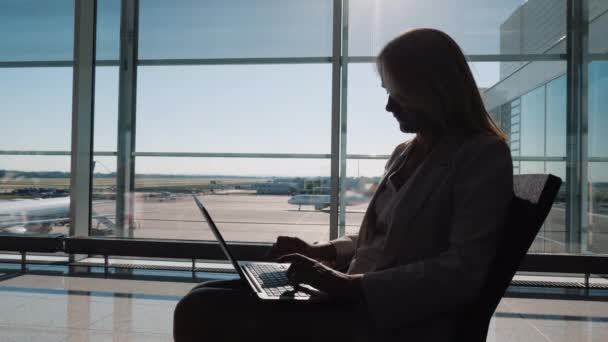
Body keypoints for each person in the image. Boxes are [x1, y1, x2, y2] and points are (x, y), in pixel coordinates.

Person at [173, 28, 513, 342]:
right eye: (388, 92)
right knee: (201, 296)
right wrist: (323, 252)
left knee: (200, 311)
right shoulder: (405, 153)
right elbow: (380, 237)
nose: (388, 106)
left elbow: (463, 271)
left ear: (434, 90)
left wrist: (347, 285)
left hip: (395, 318)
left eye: (399, 93)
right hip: (351, 296)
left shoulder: (482, 156)